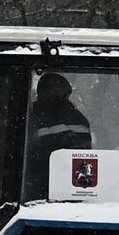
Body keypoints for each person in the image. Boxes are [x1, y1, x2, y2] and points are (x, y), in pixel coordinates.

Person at [24, 72, 92, 200]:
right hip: (69, 192)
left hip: (33, 191)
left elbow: (14, 153)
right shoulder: (77, 118)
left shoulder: (28, 115)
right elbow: (83, 159)